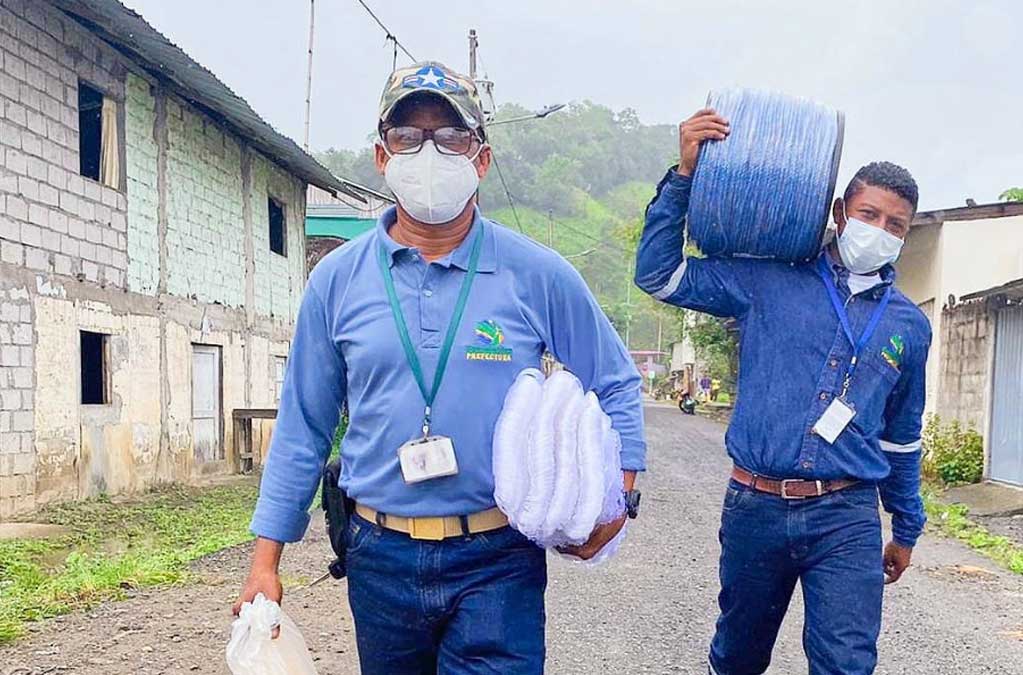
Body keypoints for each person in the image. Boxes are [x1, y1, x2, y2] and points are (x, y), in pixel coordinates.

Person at [236, 61, 646, 674]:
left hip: (498, 556)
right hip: (379, 555)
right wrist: (264, 562)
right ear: (382, 155)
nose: (428, 152)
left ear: (480, 159)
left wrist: (618, 497)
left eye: (451, 136)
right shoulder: (336, 282)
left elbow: (614, 380)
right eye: (408, 136)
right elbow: (303, 427)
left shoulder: (536, 274)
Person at [636, 108, 930, 675]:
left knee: (846, 663)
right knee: (738, 656)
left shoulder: (909, 326)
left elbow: (901, 436)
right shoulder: (767, 279)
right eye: (869, 215)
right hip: (756, 506)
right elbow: (659, 276)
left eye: (896, 225)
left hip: (846, 512)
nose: (881, 231)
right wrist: (684, 177)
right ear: (840, 214)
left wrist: (906, 526)